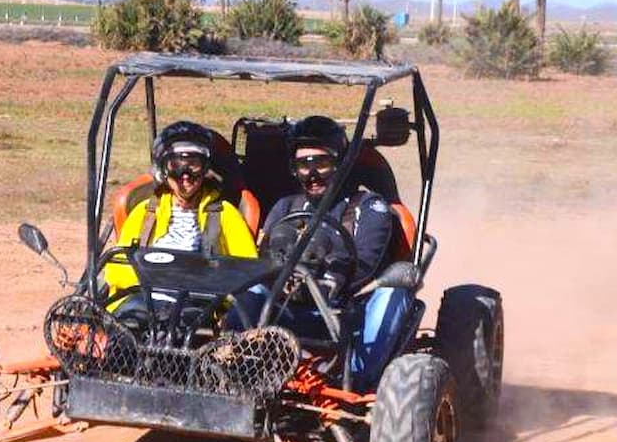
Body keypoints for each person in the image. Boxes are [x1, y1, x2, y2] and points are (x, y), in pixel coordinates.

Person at [239, 115, 411, 392]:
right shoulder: (285, 206)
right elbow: (264, 255)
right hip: (286, 302)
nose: (313, 174)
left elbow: (366, 262)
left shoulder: (368, 206)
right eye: (303, 165)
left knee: (396, 290)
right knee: (248, 289)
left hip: (347, 307)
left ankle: (358, 381)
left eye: (322, 163)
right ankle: (236, 366)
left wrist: (328, 279)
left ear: (341, 164)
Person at [104, 121, 257, 317]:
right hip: (143, 301)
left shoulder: (224, 214)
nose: (185, 175)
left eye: (193, 164)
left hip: (197, 306)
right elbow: (117, 267)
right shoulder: (145, 212)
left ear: (205, 168)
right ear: (163, 169)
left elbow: (248, 273)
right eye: (176, 165)